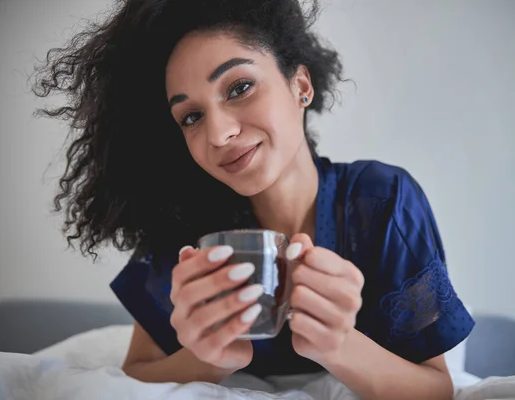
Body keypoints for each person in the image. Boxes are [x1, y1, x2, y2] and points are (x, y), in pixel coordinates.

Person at [31, 0, 474, 398]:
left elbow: (436, 387)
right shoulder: (185, 228)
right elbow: (135, 374)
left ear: (301, 85)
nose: (219, 133)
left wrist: (339, 346)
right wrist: (210, 359)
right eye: (191, 116)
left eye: (239, 87)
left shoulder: (384, 202)